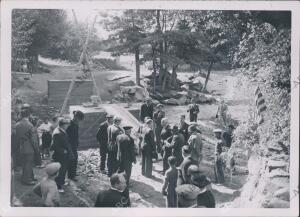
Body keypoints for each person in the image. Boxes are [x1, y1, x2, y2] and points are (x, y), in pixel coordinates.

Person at [15, 109, 39, 185]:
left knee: (25, 163)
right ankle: (27, 179)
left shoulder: (17, 124)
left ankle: (29, 176)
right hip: (29, 147)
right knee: (29, 163)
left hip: (20, 147)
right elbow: (33, 139)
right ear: (28, 115)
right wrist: (36, 148)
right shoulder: (30, 125)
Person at [51, 117, 74, 192]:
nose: (67, 126)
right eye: (66, 124)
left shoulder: (61, 130)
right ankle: (58, 186)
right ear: (63, 125)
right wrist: (63, 151)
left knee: (64, 170)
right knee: (61, 171)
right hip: (60, 156)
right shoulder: (57, 133)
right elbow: (55, 146)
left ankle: (62, 181)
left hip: (64, 155)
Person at [66, 110, 84, 181]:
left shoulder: (75, 124)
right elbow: (67, 137)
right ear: (76, 117)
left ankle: (73, 173)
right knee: (72, 160)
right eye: (79, 119)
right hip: (70, 145)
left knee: (74, 159)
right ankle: (71, 176)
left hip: (74, 145)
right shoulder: (70, 125)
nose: (79, 121)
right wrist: (69, 147)